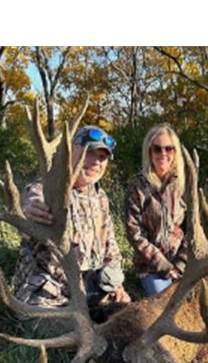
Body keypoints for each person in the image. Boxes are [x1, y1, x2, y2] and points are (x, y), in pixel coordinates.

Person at [12, 125, 131, 321]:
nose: (96, 162)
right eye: (89, 153)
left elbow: (110, 247)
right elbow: (31, 208)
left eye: (102, 157)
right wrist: (29, 213)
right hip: (49, 296)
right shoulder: (48, 189)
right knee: (81, 335)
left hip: (90, 291)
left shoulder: (100, 197)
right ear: (70, 152)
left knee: (132, 319)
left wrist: (117, 286)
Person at [125, 124, 187, 296]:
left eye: (168, 148)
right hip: (151, 268)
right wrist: (165, 267)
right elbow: (135, 234)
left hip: (182, 265)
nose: (163, 154)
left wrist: (181, 264)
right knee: (165, 301)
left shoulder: (183, 186)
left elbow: (193, 229)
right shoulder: (137, 187)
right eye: (157, 149)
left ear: (175, 152)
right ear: (149, 152)